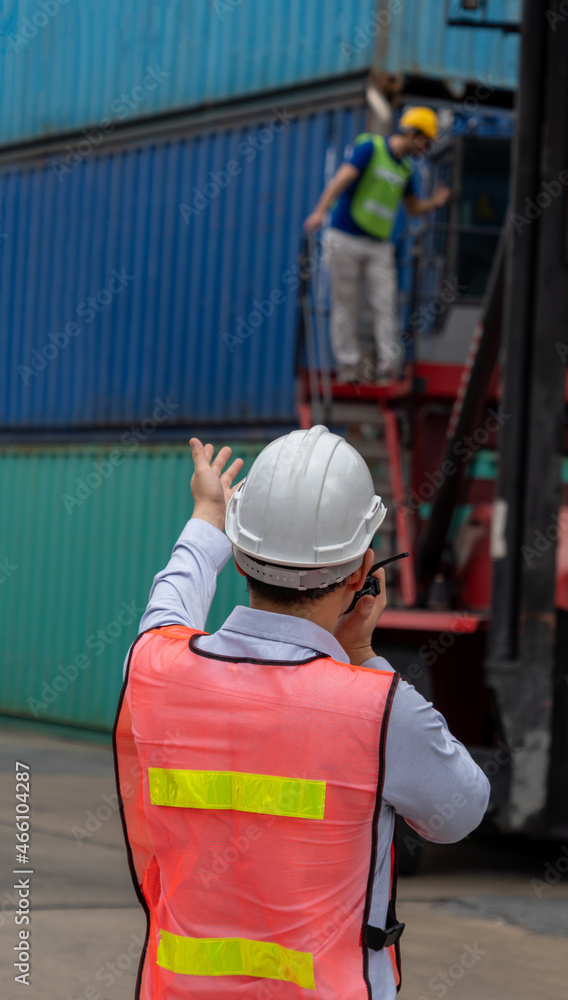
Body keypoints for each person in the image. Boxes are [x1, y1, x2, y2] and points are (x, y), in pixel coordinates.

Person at [114, 428, 490, 999]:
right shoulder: (381, 708)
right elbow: (460, 811)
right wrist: (363, 655)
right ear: (364, 573)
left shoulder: (153, 668)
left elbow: (172, 599)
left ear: (239, 558)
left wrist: (208, 511)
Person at [304, 107, 451, 385]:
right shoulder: (370, 149)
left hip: (379, 245)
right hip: (344, 237)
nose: (425, 148)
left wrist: (435, 202)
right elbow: (341, 180)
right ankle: (348, 366)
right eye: (425, 141)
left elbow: (412, 207)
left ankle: (388, 367)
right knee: (345, 303)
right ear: (411, 133)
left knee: (386, 304)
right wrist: (320, 211)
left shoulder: (406, 169)